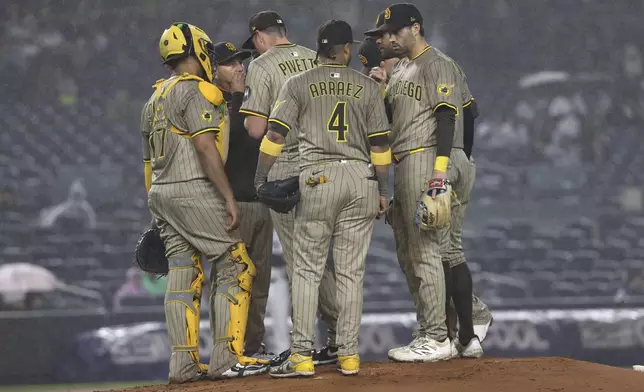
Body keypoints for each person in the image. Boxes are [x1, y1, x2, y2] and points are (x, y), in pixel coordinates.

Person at [255, 19, 391, 377]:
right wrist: (383, 190)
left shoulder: (297, 83)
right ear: (346, 50)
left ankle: (301, 354)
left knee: (307, 269)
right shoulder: (367, 86)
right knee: (350, 273)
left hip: (317, 175)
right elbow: (380, 146)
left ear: (319, 47)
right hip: (360, 177)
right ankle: (348, 355)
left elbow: (274, 133)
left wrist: (261, 176)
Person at [140, 22, 269, 382]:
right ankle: (228, 357)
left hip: (161, 194)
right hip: (193, 188)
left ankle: (182, 364)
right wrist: (227, 195)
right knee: (236, 263)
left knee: (183, 273)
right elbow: (205, 147)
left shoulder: (153, 99)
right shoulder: (199, 91)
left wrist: (156, 212)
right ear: (196, 49)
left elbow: (147, 164)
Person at [364, 10, 493, 357]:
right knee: (441, 250)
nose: (387, 38)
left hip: (428, 157)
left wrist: (444, 168)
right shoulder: (403, 66)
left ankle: (437, 336)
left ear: (415, 28)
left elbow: (451, 114)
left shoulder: (435, 63)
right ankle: (465, 331)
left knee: (426, 250)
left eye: (393, 31)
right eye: (384, 33)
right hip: (416, 156)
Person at [239, 10, 340, 366]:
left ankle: (311, 344)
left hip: (287, 166)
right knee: (319, 257)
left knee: (302, 262)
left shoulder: (262, 65)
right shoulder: (314, 57)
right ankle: (339, 337)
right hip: (329, 163)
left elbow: (255, 128)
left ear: (258, 38)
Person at [212, 41, 276, 361]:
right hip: (232, 206)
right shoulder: (211, 101)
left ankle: (253, 347)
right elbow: (234, 136)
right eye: (230, 63)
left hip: (261, 202)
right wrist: (237, 95)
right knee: (232, 280)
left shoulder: (251, 99)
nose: (239, 67)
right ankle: (228, 350)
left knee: (260, 281)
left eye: (241, 61)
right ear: (214, 70)